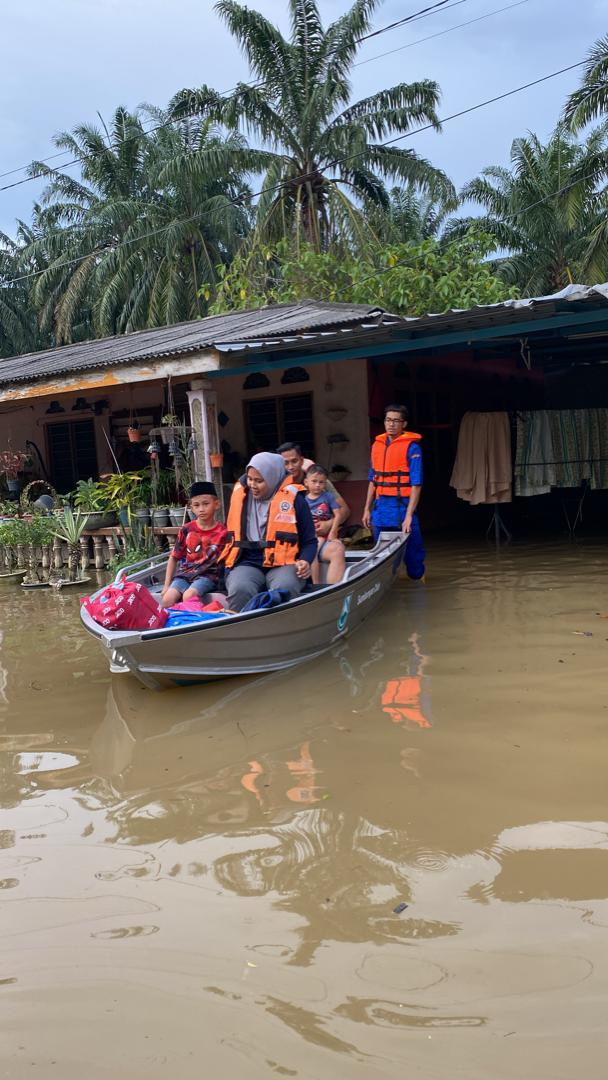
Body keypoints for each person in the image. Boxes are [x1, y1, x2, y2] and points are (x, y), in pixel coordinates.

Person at [222, 452, 317, 611]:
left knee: (284, 587)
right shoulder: (242, 497)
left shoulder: (296, 500)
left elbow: (310, 541)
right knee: (240, 588)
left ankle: (281, 628)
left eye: (259, 481)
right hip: (247, 560)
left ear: (273, 478)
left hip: (283, 563)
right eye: (250, 479)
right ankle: (242, 630)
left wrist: (305, 560)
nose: (252, 485)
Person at [362, 403, 425, 580]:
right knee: (381, 554)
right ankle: (387, 585)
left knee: (413, 556)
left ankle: (417, 583)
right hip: (380, 507)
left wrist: (409, 516)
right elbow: (373, 480)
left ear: (404, 424)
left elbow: (416, 484)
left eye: (396, 421)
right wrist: (366, 508)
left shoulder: (412, 448)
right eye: (388, 420)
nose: (391, 424)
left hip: (403, 506)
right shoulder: (377, 445)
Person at [160, 481, 227, 608]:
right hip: (184, 575)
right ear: (192, 508)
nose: (201, 509)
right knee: (167, 599)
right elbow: (174, 557)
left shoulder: (223, 532)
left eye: (206, 504)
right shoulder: (187, 529)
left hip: (207, 576)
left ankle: (196, 623)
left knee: (189, 596)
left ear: (216, 504)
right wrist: (166, 585)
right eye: (196, 505)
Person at [277, 441, 350, 526]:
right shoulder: (278, 486)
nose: (290, 467)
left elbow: (345, 510)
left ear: (301, 461)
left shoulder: (319, 481)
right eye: (286, 463)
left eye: (294, 461)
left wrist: (329, 524)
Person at [304, 464, 346, 585]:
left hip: (324, 535)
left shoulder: (328, 496)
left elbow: (338, 514)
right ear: (306, 482)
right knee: (313, 553)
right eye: (314, 481)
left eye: (321, 482)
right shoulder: (303, 500)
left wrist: (333, 532)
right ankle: (316, 585)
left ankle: (330, 587)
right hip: (311, 535)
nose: (317, 485)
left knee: (315, 550)